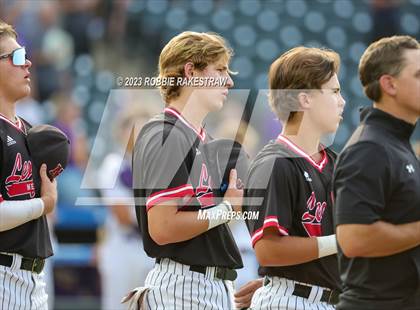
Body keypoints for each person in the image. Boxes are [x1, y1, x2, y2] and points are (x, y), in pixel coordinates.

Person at [128, 31, 244, 309]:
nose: (229, 80)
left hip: (208, 286)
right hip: (184, 288)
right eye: (220, 70)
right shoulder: (166, 133)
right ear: (191, 72)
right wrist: (228, 209)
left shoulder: (203, 139)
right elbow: (163, 227)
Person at [243, 46, 345, 309]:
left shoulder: (335, 163)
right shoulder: (274, 163)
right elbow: (268, 251)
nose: (341, 101)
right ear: (305, 99)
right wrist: (339, 242)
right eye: (334, 91)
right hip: (290, 300)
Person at [334, 35, 420, 310]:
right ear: (389, 84)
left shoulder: (396, 145)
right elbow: (355, 238)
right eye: (418, 75)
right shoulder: (369, 148)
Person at [0, 20, 57, 309]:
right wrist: (43, 204)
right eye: (17, 57)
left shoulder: (29, 131)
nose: (29, 63)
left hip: (33, 280)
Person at [97, 105, 155, 310]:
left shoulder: (157, 166)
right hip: (122, 248)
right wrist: (159, 219)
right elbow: (122, 214)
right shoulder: (114, 164)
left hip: (151, 252)